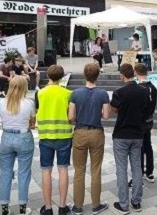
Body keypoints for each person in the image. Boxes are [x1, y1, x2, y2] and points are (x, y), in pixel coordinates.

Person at [68, 63, 110, 215]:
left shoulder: (75, 93)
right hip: (96, 133)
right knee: (95, 170)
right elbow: (106, 116)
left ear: (85, 75)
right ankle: (96, 205)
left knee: (79, 170)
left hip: (80, 133)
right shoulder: (103, 93)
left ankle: (78, 206)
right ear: (97, 75)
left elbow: (71, 117)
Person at [110, 63, 150, 214]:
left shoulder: (119, 92)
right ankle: (137, 201)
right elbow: (145, 109)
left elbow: (114, 109)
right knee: (137, 168)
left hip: (121, 133)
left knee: (121, 169)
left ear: (122, 75)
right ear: (133, 73)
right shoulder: (143, 91)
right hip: (137, 134)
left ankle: (123, 204)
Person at [36, 65, 73, 215]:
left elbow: (36, 112)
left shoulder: (40, 93)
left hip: (45, 136)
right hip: (64, 135)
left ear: (48, 76)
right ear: (62, 77)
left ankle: (48, 207)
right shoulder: (68, 93)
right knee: (63, 169)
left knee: (46, 171)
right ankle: (63, 207)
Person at [0, 76, 36, 215]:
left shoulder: (3, 102)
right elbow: (32, 123)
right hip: (23, 137)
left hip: (6, 136)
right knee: (24, 173)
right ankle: (22, 208)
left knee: (5, 173)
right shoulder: (28, 103)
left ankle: (4, 208)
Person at [135, 63, 157, 184]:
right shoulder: (152, 87)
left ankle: (139, 174)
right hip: (149, 120)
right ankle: (150, 172)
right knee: (148, 146)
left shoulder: (139, 88)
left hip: (140, 122)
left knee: (138, 148)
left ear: (136, 72)